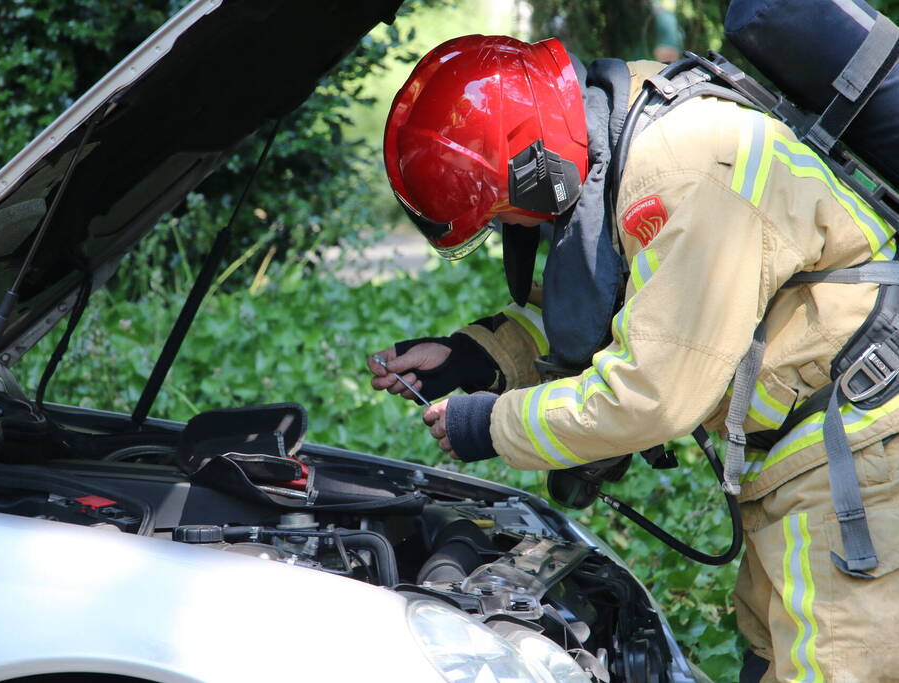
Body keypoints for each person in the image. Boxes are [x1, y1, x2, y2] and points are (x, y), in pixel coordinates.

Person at [369, 34, 899, 682]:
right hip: (812, 447)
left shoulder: (681, 168)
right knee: (768, 656)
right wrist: (469, 358)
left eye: (511, 213)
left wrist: (488, 423)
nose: (522, 227)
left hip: (862, 449)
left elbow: (650, 392)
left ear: (535, 165)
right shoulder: (623, 138)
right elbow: (624, 307)